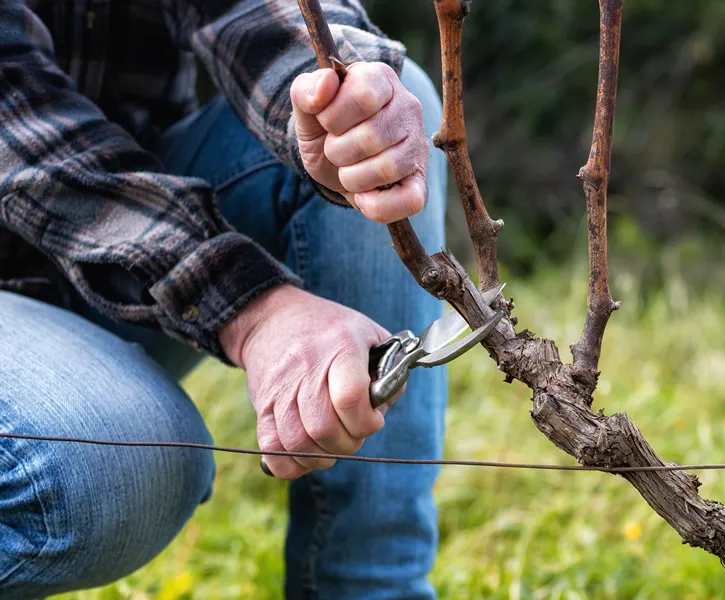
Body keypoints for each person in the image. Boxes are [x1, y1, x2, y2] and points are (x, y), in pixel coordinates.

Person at [0, 1, 450, 598]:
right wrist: (254, 309)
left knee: (379, 113)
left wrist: (347, 99)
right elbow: (25, 139)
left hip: (117, 254)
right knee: (118, 469)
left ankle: (372, 589)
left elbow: (261, 12)